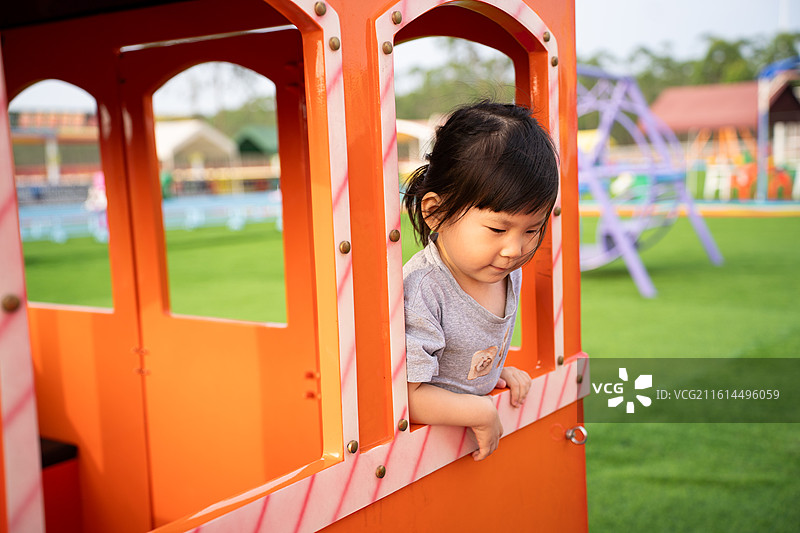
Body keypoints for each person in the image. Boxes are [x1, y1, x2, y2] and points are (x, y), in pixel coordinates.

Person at [403, 101, 559, 461]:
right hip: (420, 459)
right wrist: (478, 409)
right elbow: (407, 395)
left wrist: (494, 372)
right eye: (498, 229)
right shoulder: (424, 290)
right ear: (436, 213)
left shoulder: (505, 273)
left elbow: (458, 357)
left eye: (532, 229)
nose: (514, 249)